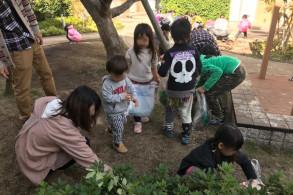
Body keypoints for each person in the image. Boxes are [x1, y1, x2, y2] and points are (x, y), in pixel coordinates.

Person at [15, 86, 111, 186]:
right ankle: (51, 175)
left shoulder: (53, 101)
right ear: (81, 110)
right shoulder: (64, 129)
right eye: (92, 112)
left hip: (23, 146)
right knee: (85, 144)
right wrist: (111, 174)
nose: (94, 114)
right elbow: (88, 158)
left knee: (82, 143)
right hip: (33, 162)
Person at [0, 0, 57, 124]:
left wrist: (36, 31)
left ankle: (56, 106)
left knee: (46, 74)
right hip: (15, 46)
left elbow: (27, 9)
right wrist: (1, 62)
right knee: (22, 87)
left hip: (30, 38)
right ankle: (26, 120)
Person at [158, 19, 202, 144]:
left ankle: (169, 129)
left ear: (172, 35)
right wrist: (192, 78)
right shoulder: (195, 52)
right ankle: (186, 134)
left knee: (171, 109)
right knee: (186, 111)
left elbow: (162, 73)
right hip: (188, 90)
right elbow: (199, 69)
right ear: (189, 34)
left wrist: (160, 65)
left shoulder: (169, 53)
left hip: (173, 91)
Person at [177, 125, 257, 182]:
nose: (236, 152)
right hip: (190, 170)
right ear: (221, 145)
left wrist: (253, 180)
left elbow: (245, 161)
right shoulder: (206, 156)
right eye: (234, 150)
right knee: (200, 175)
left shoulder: (222, 149)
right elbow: (212, 179)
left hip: (209, 169)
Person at [196, 44, 246, 125]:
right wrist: (196, 88)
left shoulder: (202, 65)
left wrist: (205, 87)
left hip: (236, 73)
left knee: (210, 92)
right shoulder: (201, 62)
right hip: (237, 67)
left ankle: (219, 117)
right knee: (215, 88)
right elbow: (202, 79)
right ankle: (222, 110)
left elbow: (218, 71)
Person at [126, 23, 160, 133]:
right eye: (139, 39)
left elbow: (154, 68)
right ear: (135, 38)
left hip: (147, 82)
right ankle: (137, 122)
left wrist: (157, 78)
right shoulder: (131, 51)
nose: (142, 42)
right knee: (136, 102)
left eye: (145, 40)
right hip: (133, 82)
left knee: (146, 100)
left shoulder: (153, 53)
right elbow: (126, 65)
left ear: (150, 39)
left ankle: (143, 114)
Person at [101, 55, 138, 153]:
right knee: (119, 128)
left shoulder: (125, 78)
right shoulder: (107, 84)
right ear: (110, 72)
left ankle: (111, 129)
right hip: (113, 111)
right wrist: (122, 96)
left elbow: (131, 88)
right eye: (117, 76)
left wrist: (134, 97)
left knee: (121, 122)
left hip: (123, 108)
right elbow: (107, 98)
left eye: (123, 75)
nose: (121, 78)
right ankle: (117, 143)